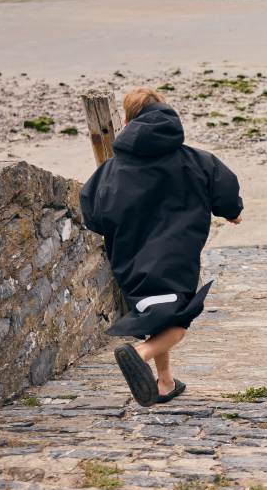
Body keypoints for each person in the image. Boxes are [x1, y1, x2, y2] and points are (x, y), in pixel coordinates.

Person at [80, 88, 243, 407]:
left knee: (158, 314)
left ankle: (165, 382)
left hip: (130, 259)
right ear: (167, 115)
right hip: (175, 258)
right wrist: (232, 212)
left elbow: (94, 215)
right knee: (176, 324)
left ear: (126, 121)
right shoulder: (197, 160)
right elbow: (226, 193)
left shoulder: (109, 171)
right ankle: (139, 355)